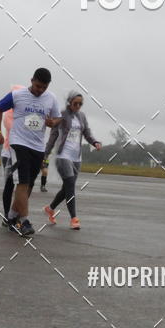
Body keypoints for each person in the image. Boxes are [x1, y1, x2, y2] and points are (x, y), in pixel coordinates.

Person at [0, 67, 61, 237]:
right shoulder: (17, 95)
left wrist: (53, 122)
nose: (40, 90)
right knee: (22, 182)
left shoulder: (51, 98)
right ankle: (24, 221)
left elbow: (58, 117)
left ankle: (11, 216)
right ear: (32, 80)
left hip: (38, 147)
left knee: (29, 185)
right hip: (18, 143)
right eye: (38, 86)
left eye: (44, 87)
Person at [44, 91, 102, 230]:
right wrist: (45, 154)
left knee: (67, 188)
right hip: (62, 155)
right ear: (69, 102)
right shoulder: (61, 115)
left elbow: (87, 132)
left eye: (80, 104)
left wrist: (94, 142)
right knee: (70, 186)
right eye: (75, 103)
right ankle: (74, 219)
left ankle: (50, 208)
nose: (78, 106)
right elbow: (53, 135)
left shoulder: (82, 116)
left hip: (76, 157)